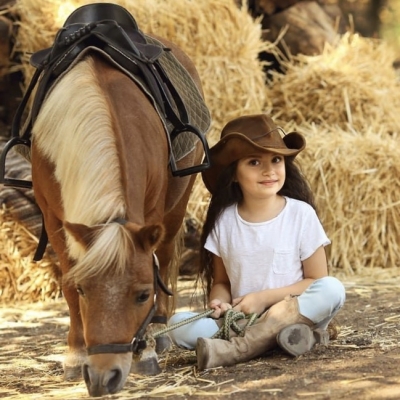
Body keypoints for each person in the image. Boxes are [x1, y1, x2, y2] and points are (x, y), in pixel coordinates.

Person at [168, 114, 346, 370]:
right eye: (254, 162)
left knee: (332, 289)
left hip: (297, 311)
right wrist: (220, 302)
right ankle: (291, 339)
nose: (269, 170)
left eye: (276, 159)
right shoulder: (224, 222)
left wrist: (263, 299)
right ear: (233, 175)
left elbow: (315, 281)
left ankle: (238, 349)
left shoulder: (300, 214)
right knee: (177, 325)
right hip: (243, 320)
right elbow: (222, 282)